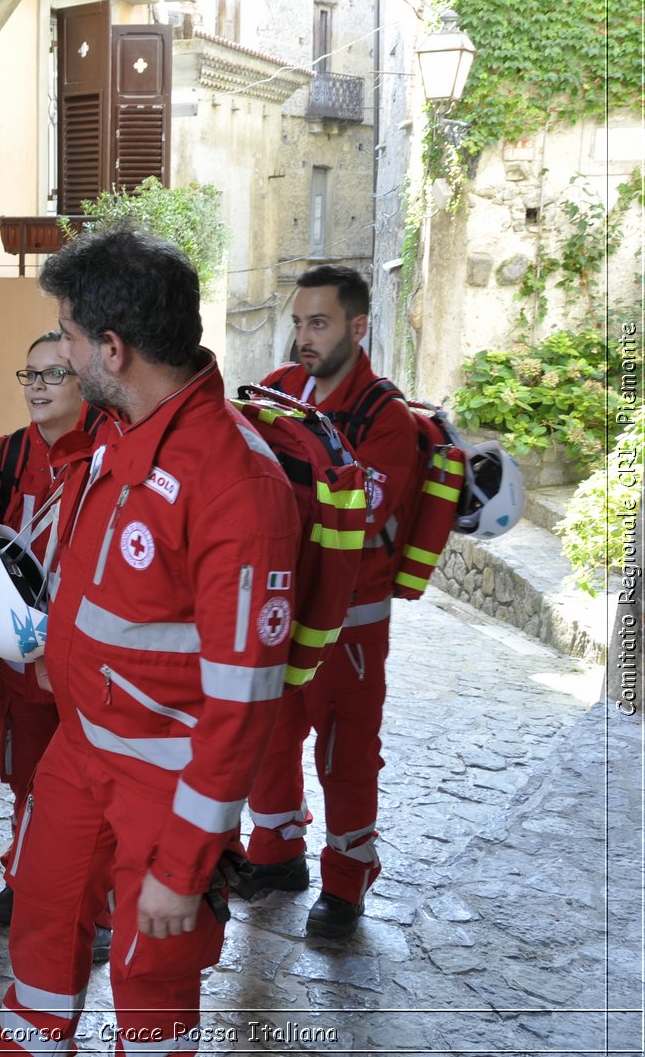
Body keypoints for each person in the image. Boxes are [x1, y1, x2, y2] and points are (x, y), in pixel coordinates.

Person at [0, 230, 300, 1056]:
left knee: (153, 983)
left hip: (166, 786)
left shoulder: (237, 482)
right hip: (81, 752)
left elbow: (242, 703)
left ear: (114, 350)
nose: (59, 354)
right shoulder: (119, 432)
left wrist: (184, 861)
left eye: (66, 335)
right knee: (42, 930)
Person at [244, 264, 421, 939]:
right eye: (297, 322)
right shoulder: (280, 389)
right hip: (283, 600)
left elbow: (355, 515)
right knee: (268, 730)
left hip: (351, 621)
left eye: (317, 323)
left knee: (345, 751)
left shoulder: (387, 417)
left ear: (356, 325)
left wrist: (281, 491)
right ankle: (276, 851)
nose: (303, 337)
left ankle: (346, 883)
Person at [0, 331, 113, 956]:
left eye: (54, 374)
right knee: (29, 777)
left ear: (86, 382)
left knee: (95, 785)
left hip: (89, 662)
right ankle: (22, 876)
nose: (39, 387)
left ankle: (98, 908)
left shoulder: (115, 452)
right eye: (30, 376)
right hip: (21, 661)